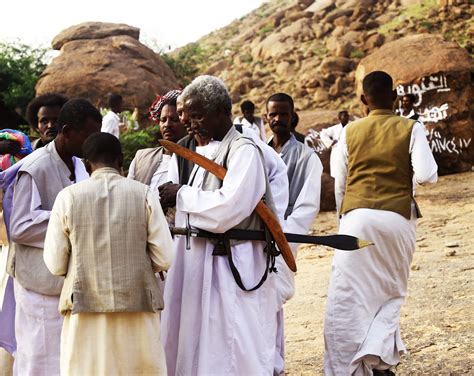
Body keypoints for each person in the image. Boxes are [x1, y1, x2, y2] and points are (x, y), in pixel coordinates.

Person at [159, 75, 279, 374]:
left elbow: (230, 207)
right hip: (193, 263)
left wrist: (181, 195)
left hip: (231, 263)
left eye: (197, 115)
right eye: (187, 116)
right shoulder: (187, 151)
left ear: (222, 112)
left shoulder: (244, 150)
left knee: (232, 344)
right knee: (193, 337)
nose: (189, 123)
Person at [325, 71, 438, 375]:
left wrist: (343, 219)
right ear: (396, 97)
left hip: (355, 220)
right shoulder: (411, 128)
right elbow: (428, 176)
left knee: (351, 298)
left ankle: (357, 364)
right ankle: (380, 361)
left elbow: (340, 182)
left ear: (363, 100)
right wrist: (405, 181)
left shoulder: (349, 131)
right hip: (398, 220)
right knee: (390, 295)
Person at [43, 132, 174, 375]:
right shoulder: (144, 193)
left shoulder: (68, 197)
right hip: (138, 305)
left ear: (85, 163)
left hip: (84, 306)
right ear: (121, 159)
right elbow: (164, 256)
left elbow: (55, 263)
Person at [8, 99, 102, 375]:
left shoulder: (79, 164)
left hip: (66, 284)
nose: (91, 142)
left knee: (65, 358)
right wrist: (67, 217)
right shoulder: (35, 167)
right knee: (38, 358)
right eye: (88, 135)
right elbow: (20, 226)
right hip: (39, 285)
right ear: (68, 132)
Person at [266, 92, 323, 375]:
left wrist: (282, 234)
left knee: (273, 299)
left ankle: (274, 365)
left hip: (284, 240)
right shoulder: (259, 151)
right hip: (254, 239)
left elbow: (307, 206)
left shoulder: (306, 156)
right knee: (261, 300)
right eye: (273, 114)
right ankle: (269, 363)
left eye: (283, 114)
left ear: (293, 115)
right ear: (267, 117)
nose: (278, 120)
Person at [128, 90, 186, 189]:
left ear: (186, 123)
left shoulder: (196, 160)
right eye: (163, 120)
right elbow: (130, 192)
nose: (167, 125)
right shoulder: (141, 157)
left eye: (174, 120)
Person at [320, 110, 350, 177]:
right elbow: (323, 133)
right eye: (344, 116)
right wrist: (330, 143)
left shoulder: (351, 126)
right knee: (338, 174)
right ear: (339, 118)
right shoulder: (335, 128)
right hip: (337, 153)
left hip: (349, 151)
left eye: (347, 116)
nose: (347, 117)